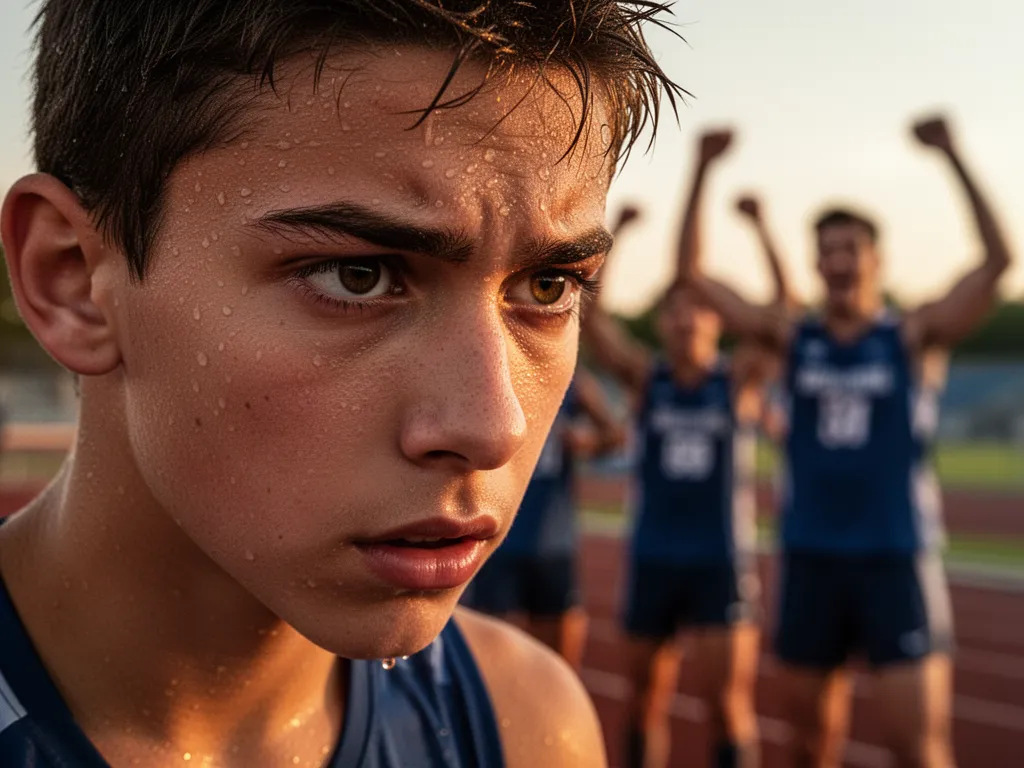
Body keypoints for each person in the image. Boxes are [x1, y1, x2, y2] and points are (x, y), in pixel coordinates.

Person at [0, 2, 682, 767]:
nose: (494, 426)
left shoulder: (526, 724)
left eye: (549, 285)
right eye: (358, 277)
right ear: (72, 281)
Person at [691, 116, 1013, 768]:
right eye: (827, 250)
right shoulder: (794, 340)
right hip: (811, 560)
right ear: (815, 263)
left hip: (896, 561)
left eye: (850, 248)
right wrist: (701, 171)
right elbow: (693, 275)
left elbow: (999, 263)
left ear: (876, 259)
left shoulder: (911, 336)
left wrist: (953, 154)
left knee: (919, 750)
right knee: (808, 746)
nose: (838, 261)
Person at [582, 129, 787, 768]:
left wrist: (760, 231)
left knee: (727, 705)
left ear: (718, 324)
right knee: (644, 699)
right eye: (673, 309)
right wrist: (615, 234)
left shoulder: (739, 382)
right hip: (653, 558)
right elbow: (588, 319)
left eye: (698, 310)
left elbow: (784, 316)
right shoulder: (648, 380)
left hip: (720, 560)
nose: (684, 318)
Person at [464, 368, 625, 670]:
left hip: (552, 542)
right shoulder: (484, 375)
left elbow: (614, 434)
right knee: (489, 669)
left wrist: (587, 442)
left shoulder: (569, 381)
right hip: (495, 541)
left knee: (559, 670)